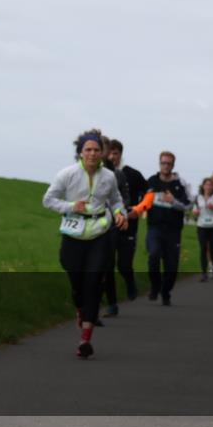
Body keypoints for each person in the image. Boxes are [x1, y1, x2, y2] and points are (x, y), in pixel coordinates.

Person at [42, 130, 127, 359]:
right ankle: (81, 309)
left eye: (96, 150)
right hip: (73, 234)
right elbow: (48, 200)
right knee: (78, 284)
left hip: (100, 234)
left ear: (103, 153)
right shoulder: (67, 174)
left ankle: (85, 339)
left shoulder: (109, 176)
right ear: (80, 152)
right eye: (88, 149)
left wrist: (120, 213)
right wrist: (71, 206)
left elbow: (116, 200)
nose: (92, 153)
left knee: (93, 284)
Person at [131, 151, 192, 306]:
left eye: (168, 163)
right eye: (163, 163)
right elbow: (143, 200)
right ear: (159, 164)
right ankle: (155, 286)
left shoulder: (181, 184)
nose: (165, 166)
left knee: (171, 267)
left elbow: (189, 205)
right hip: (155, 227)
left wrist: (173, 201)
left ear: (173, 165)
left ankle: (166, 292)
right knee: (153, 255)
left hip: (173, 230)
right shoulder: (151, 181)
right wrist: (137, 210)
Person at [107, 139, 147, 301]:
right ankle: (111, 303)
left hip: (128, 226)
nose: (111, 157)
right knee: (106, 266)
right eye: (109, 153)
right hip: (106, 226)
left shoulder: (133, 174)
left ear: (120, 155)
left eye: (115, 153)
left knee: (123, 265)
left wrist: (138, 210)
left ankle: (130, 282)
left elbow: (149, 194)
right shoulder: (100, 173)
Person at [99, 136, 131, 317]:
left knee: (107, 265)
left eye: (102, 148)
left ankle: (111, 303)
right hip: (87, 224)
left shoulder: (116, 174)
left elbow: (125, 198)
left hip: (109, 226)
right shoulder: (83, 172)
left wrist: (116, 211)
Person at [192, 177, 213, 281]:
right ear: (203, 186)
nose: (208, 187)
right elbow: (194, 208)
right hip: (202, 226)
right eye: (206, 184)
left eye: (210, 185)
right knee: (203, 249)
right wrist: (195, 212)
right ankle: (204, 273)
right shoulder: (198, 197)